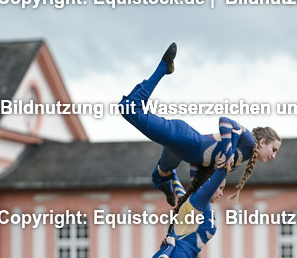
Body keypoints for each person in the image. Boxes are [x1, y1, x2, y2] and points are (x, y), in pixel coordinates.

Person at [119, 42, 281, 206]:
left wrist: (195, 194)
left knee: (164, 170)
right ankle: (163, 68)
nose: (273, 156)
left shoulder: (242, 158)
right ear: (262, 142)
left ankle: (163, 180)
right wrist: (229, 152)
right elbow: (225, 121)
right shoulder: (248, 140)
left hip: (182, 151)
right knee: (128, 108)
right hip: (183, 138)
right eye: (274, 149)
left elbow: (200, 165)